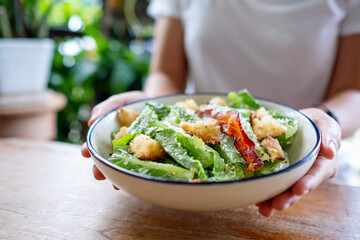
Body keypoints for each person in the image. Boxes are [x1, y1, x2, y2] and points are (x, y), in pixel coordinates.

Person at [82, 0, 360, 217]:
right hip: (181, 198)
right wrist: (149, 108)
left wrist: (325, 120)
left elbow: (353, 90)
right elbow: (166, 72)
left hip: (317, 183)